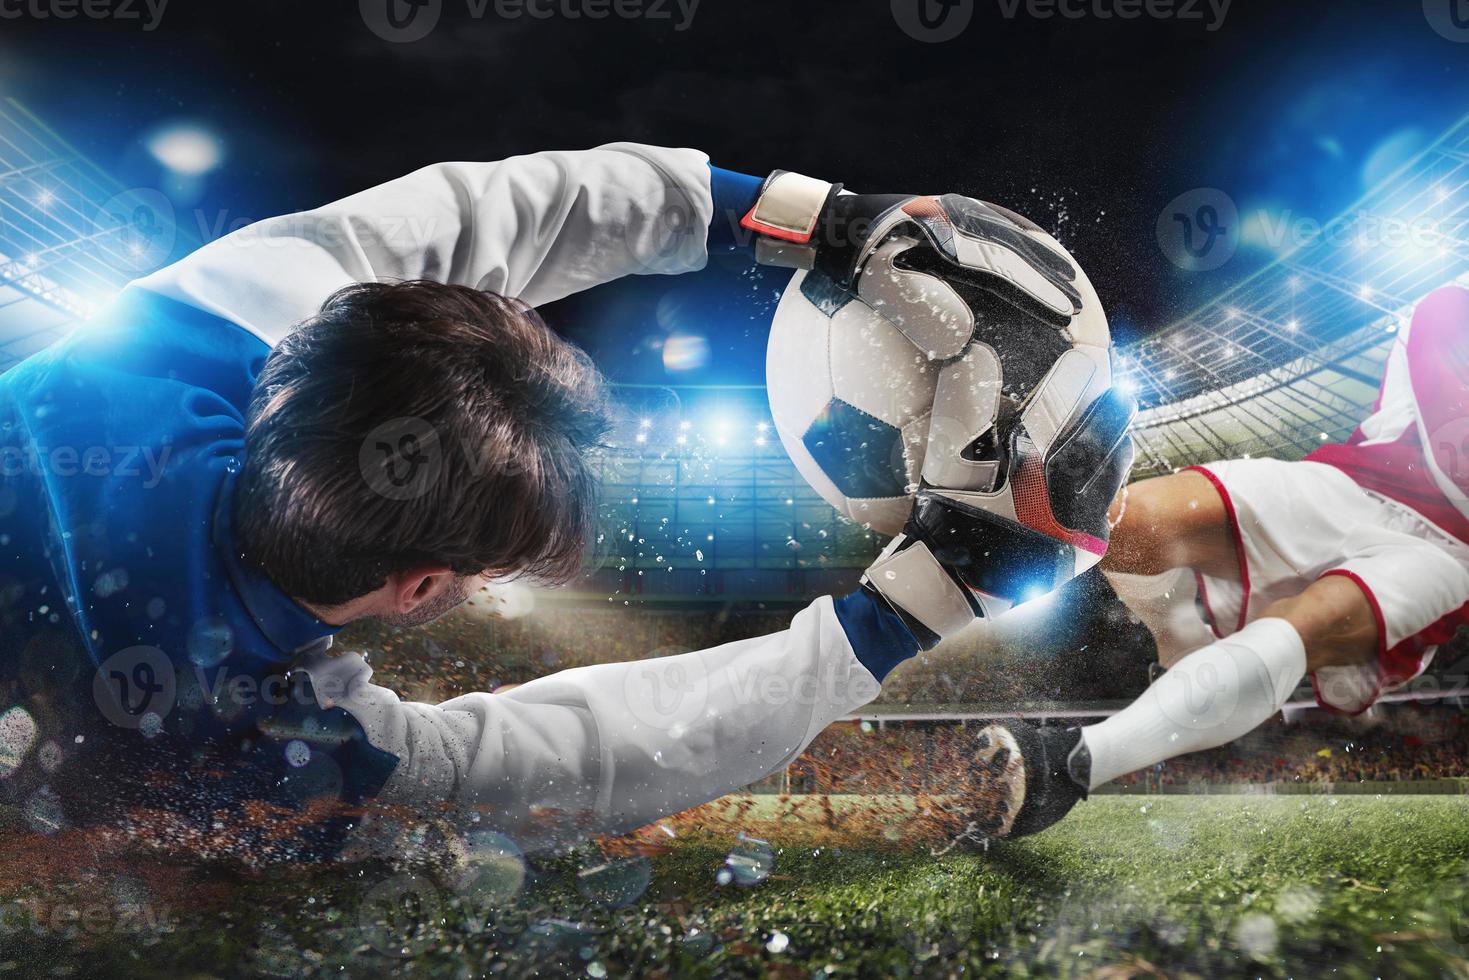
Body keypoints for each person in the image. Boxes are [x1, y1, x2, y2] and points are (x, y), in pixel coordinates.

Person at [0, 147, 1124, 855]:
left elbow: (486, 211)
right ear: (424, 586)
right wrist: (904, 615)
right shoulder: (250, 744)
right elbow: (587, 757)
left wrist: (807, 218)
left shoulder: (177, 336)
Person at [975, 284, 1469, 838]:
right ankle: (1180, 640)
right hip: (1353, 485)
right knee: (1121, 522)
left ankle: (1065, 767)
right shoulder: (1450, 304)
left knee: (1309, 624)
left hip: (1448, 553)